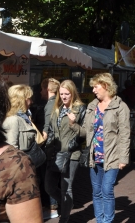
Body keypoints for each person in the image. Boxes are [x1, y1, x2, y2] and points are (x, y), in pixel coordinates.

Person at [0, 64, 42, 223]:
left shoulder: (15, 165)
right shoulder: (14, 119)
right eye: (28, 97)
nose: (31, 101)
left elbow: (12, 148)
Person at [73, 73, 130, 223]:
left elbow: (125, 134)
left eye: (96, 86)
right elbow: (85, 130)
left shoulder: (120, 107)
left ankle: (107, 221)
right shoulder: (92, 106)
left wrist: (123, 158)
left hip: (112, 156)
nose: (93, 90)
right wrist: (73, 125)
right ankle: (100, 220)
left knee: (107, 190)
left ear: (105, 86)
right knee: (96, 192)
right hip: (94, 155)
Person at [43, 80, 86, 223]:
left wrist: (73, 124)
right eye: (61, 94)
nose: (64, 97)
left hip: (71, 154)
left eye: (67, 94)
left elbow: (85, 133)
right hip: (55, 152)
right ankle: (67, 204)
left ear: (73, 93)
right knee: (48, 186)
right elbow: (51, 128)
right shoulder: (58, 107)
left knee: (66, 189)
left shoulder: (80, 109)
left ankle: (65, 218)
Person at [41, 78, 61, 220]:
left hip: (51, 146)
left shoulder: (50, 105)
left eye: (41, 89)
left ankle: (53, 206)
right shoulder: (58, 102)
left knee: (49, 179)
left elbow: (47, 128)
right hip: (57, 146)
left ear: (47, 89)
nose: (40, 92)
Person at [3, 84, 39, 155]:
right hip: (19, 162)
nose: (31, 102)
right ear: (22, 99)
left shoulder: (24, 116)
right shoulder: (13, 119)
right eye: (30, 98)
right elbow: (11, 148)